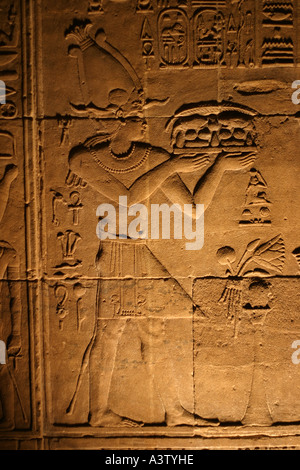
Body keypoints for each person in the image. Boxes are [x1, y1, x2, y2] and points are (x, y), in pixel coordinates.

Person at [66, 110, 256, 427]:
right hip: (115, 253)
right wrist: (171, 166)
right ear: (116, 119)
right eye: (135, 112)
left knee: (153, 333)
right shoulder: (85, 159)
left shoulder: (154, 157)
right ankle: (99, 413)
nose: (144, 117)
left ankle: (174, 412)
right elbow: (128, 198)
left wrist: (219, 167)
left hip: (139, 253)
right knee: (109, 334)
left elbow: (194, 209)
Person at [0, 164, 22, 429]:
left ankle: (7, 417)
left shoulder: (7, 254)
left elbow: (17, 297)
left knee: (1, 367)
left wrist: (16, 331)